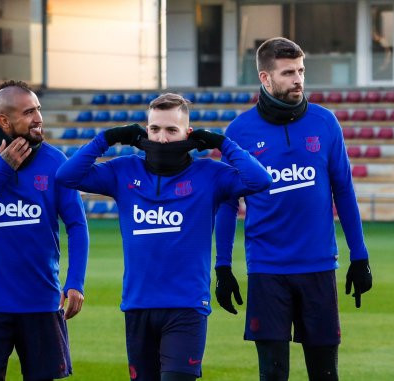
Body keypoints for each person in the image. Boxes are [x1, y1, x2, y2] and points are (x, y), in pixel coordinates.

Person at [55, 93, 271, 381]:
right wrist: (107, 137)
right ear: (145, 131)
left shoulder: (209, 174)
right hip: (137, 305)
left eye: (172, 130)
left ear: (188, 134)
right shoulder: (123, 171)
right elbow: (66, 176)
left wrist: (222, 144)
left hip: (186, 306)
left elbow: (260, 180)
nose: (162, 139)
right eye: (155, 129)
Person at [213, 37, 372, 381]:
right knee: (272, 373)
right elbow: (227, 205)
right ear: (265, 79)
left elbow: (343, 191)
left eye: (301, 70)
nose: (298, 79)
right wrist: (223, 267)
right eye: (288, 73)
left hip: (318, 267)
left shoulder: (325, 122)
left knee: (325, 373)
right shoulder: (239, 132)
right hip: (267, 270)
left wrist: (359, 256)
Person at [0, 80, 89, 381]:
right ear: (4, 121)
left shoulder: (55, 161)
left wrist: (75, 281)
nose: (38, 118)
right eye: (28, 112)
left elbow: (77, 225)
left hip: (41, 303)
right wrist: (2, 171)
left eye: (38, 109)